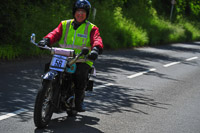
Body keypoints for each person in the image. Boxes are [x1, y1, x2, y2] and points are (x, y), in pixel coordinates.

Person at [38, 0, 103, 112]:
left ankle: (79, 101)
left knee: (80, 75)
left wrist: (95, 50)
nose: (80, 14)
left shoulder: (92, 28)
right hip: (62, 57)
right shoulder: (65, 24)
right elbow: (55, 33)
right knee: (49, 67)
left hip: (82, 59)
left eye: (83, 12)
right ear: (74, 12)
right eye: (78, 11)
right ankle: (48, 90)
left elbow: (97, 39)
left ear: (87, 14)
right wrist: (46, 40)